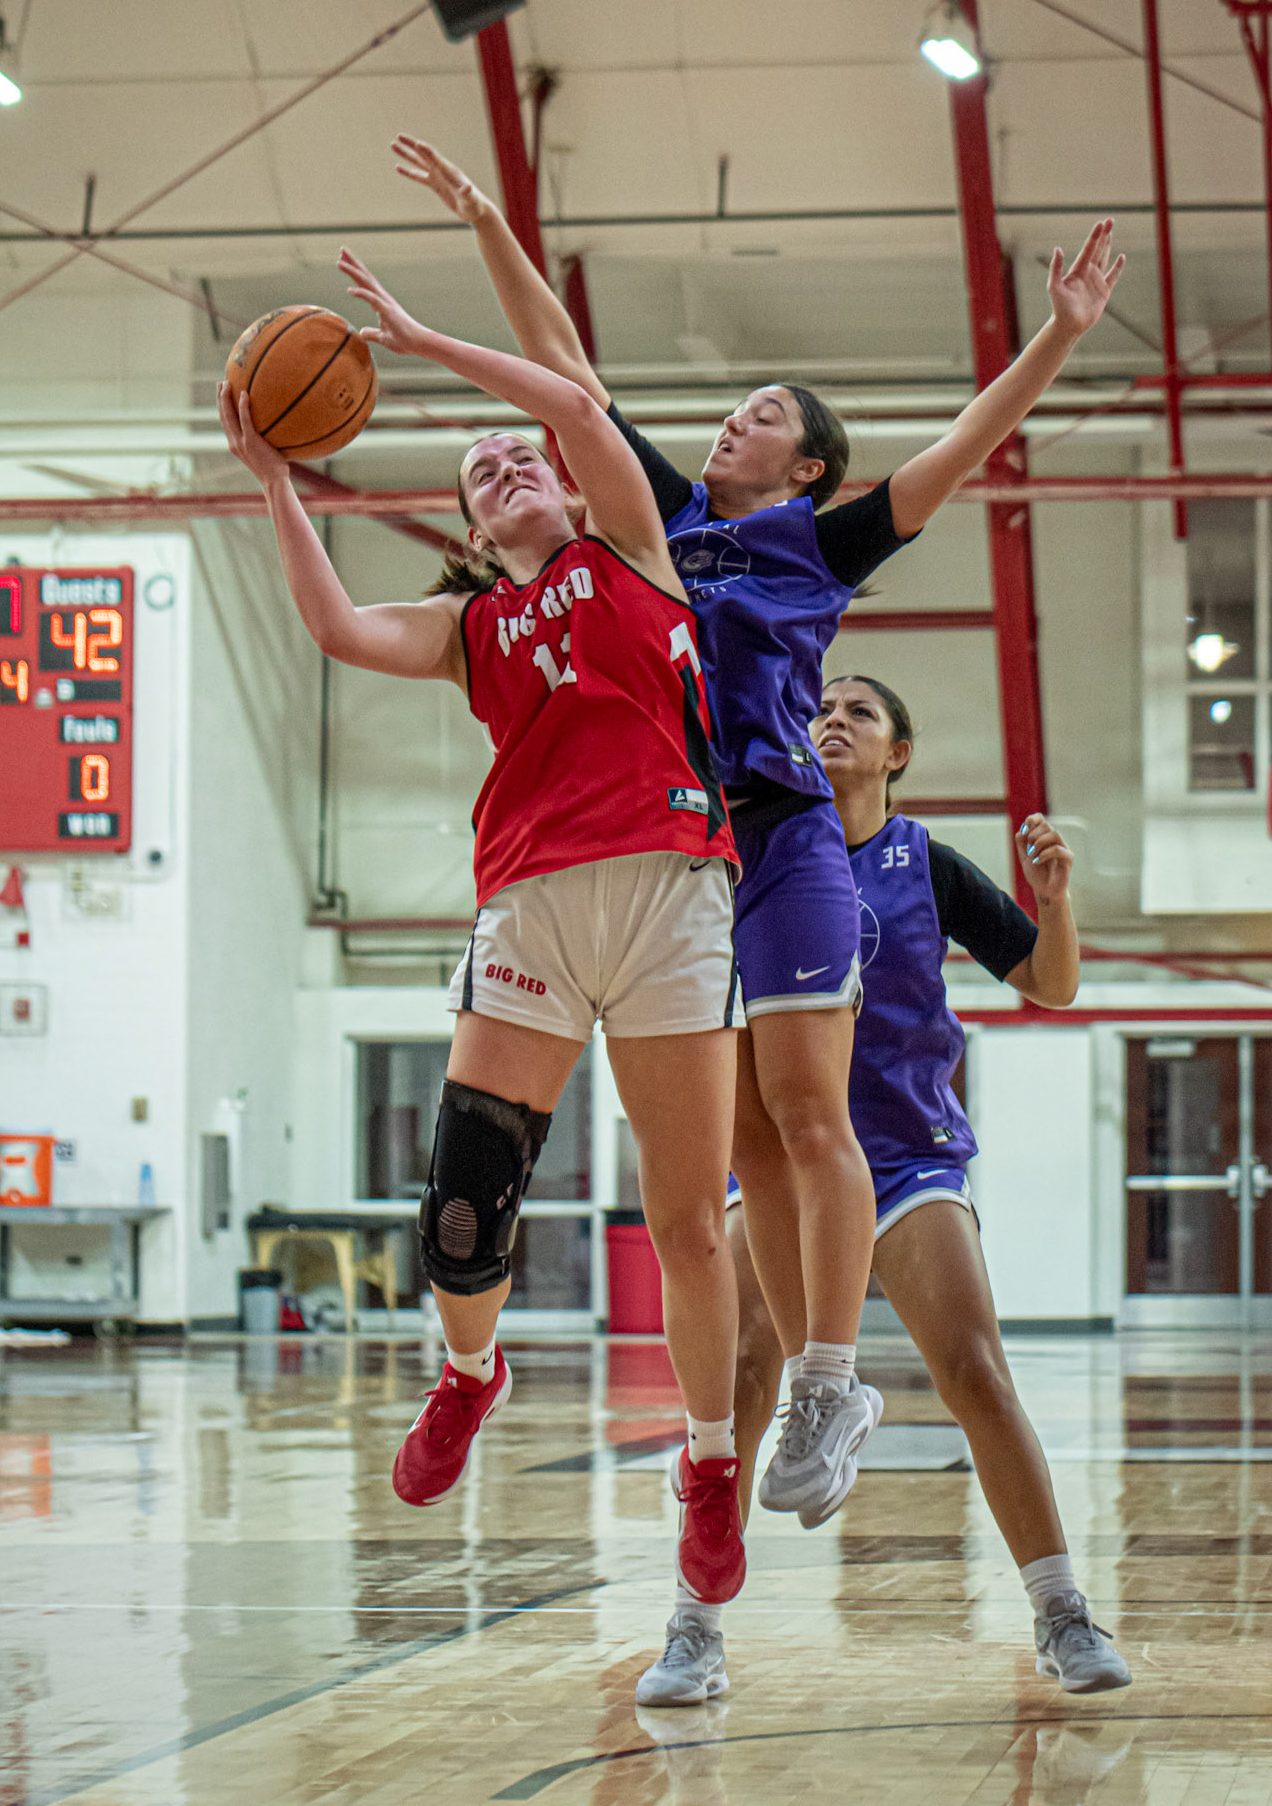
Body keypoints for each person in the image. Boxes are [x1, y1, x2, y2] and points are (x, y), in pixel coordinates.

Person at [390, 134, 1125, 1531]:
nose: (736, 420)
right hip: (684, 859)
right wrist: (487, 219)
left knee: (804, 1109)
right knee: (746, 1149)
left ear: (810, 466)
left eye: (766, 412)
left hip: (783, 834)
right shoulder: (660, 517)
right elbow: (562, 366)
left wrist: (1059, 334)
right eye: (735, 407)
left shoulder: (818, 542)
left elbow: (961, 451)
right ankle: (786, 1404)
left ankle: (830, 1381)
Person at [219, 257, 748, 1607]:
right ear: (468, 527)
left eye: (521, 458)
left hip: (674, 893)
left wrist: (422, 340)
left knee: (688, 1224)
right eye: (480, 471)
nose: (507, 465)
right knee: (462, 1209)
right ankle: (468, 1371)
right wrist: (275, 474)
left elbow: (572, 400)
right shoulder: (473, 625)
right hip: (530, 905)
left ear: (567, 489)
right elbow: (338, 625)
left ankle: (708, 1463)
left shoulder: (631, 548)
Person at [636, 675, 1132, 1704]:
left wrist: (1055, 902)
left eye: (860, 711)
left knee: (975, 1370)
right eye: (823, 707)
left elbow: (1050, 985)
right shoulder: (751, 857)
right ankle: (694, 1627)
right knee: (737, 1377)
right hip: (781, 1168)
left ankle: (1060, 1610)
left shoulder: (924, 862)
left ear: (898, 752)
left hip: (904, 1157)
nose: (833, 718)